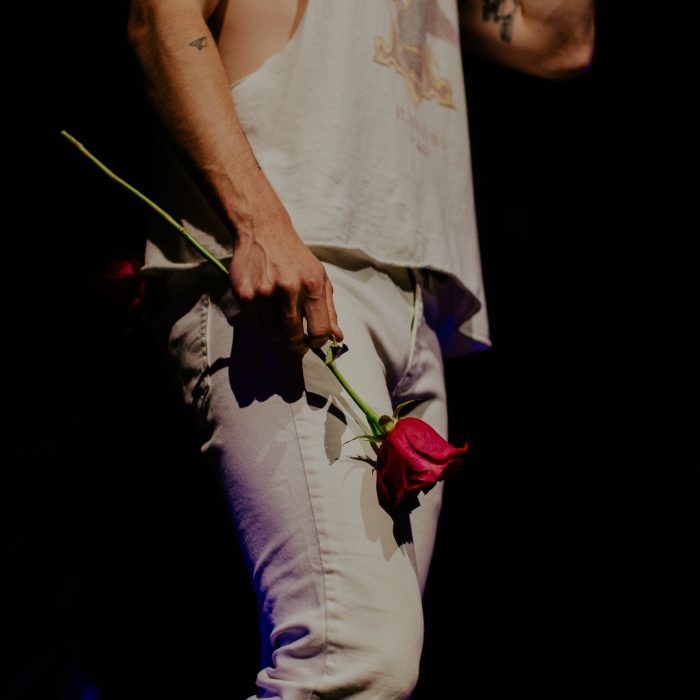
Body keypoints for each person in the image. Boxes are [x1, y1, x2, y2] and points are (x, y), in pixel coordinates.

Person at [127, 1, 594, 697]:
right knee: (352, 658)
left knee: (369, 666)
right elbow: (160, 15)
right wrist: (259, 222)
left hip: (414, 293)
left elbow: (557, 40)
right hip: (293, 263)